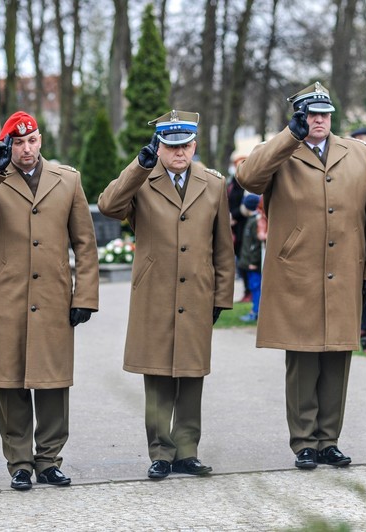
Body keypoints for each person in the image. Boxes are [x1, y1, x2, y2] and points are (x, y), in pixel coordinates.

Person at [236, 82, 366, 470]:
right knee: (303, 358)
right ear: (299, 116)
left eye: (324, 113)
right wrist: (290, 135)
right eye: (310, 113)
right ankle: (304, 441)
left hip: (345, 271)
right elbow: (248, 179)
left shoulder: (359, 153)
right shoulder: (281, 151)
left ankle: (328, 440)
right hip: (297, 272)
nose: (317, 120)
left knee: (338, 356)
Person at [0, 111, 99, 491]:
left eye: (31, 140)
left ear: (40, 140)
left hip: (53, 296)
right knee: (12, 381)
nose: (27, 148)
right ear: (8, 146)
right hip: (9, 297)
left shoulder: (68, 180)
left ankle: (49, 460)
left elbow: (85, 242)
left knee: (53, 382)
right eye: (18, 143)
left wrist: (84, 294)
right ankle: (19, 463)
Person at [98, 110, 234, 480]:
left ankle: (187, 451)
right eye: (171, 146)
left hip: (197, 293)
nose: (179, 153)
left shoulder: (213, 183)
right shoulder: (142, 180)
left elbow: (223, 246)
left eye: (186, 145)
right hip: (155, 292)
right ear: (158, 147)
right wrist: (137, 167)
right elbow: (109, 205)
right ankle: (160, 451)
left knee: (191, 374)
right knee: (157, 375)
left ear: (195, 145)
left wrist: (222, 296)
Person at [228, 150, 251, 303]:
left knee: (246, 258)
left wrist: (234, 215)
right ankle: (246, 290)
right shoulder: (232, 182)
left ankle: (250, 291)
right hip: (233, 224)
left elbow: (249, 206)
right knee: (239, 257)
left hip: (245, 224)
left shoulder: (247, 181)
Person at [238, 193, 263, 322]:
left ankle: (256, 312)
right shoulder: (251, 220)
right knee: (254, 287)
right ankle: (255, 310)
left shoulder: (256, 221)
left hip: (253, 264)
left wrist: (253, 261)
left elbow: (256, 244)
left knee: (256, 286)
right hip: (248, 262)